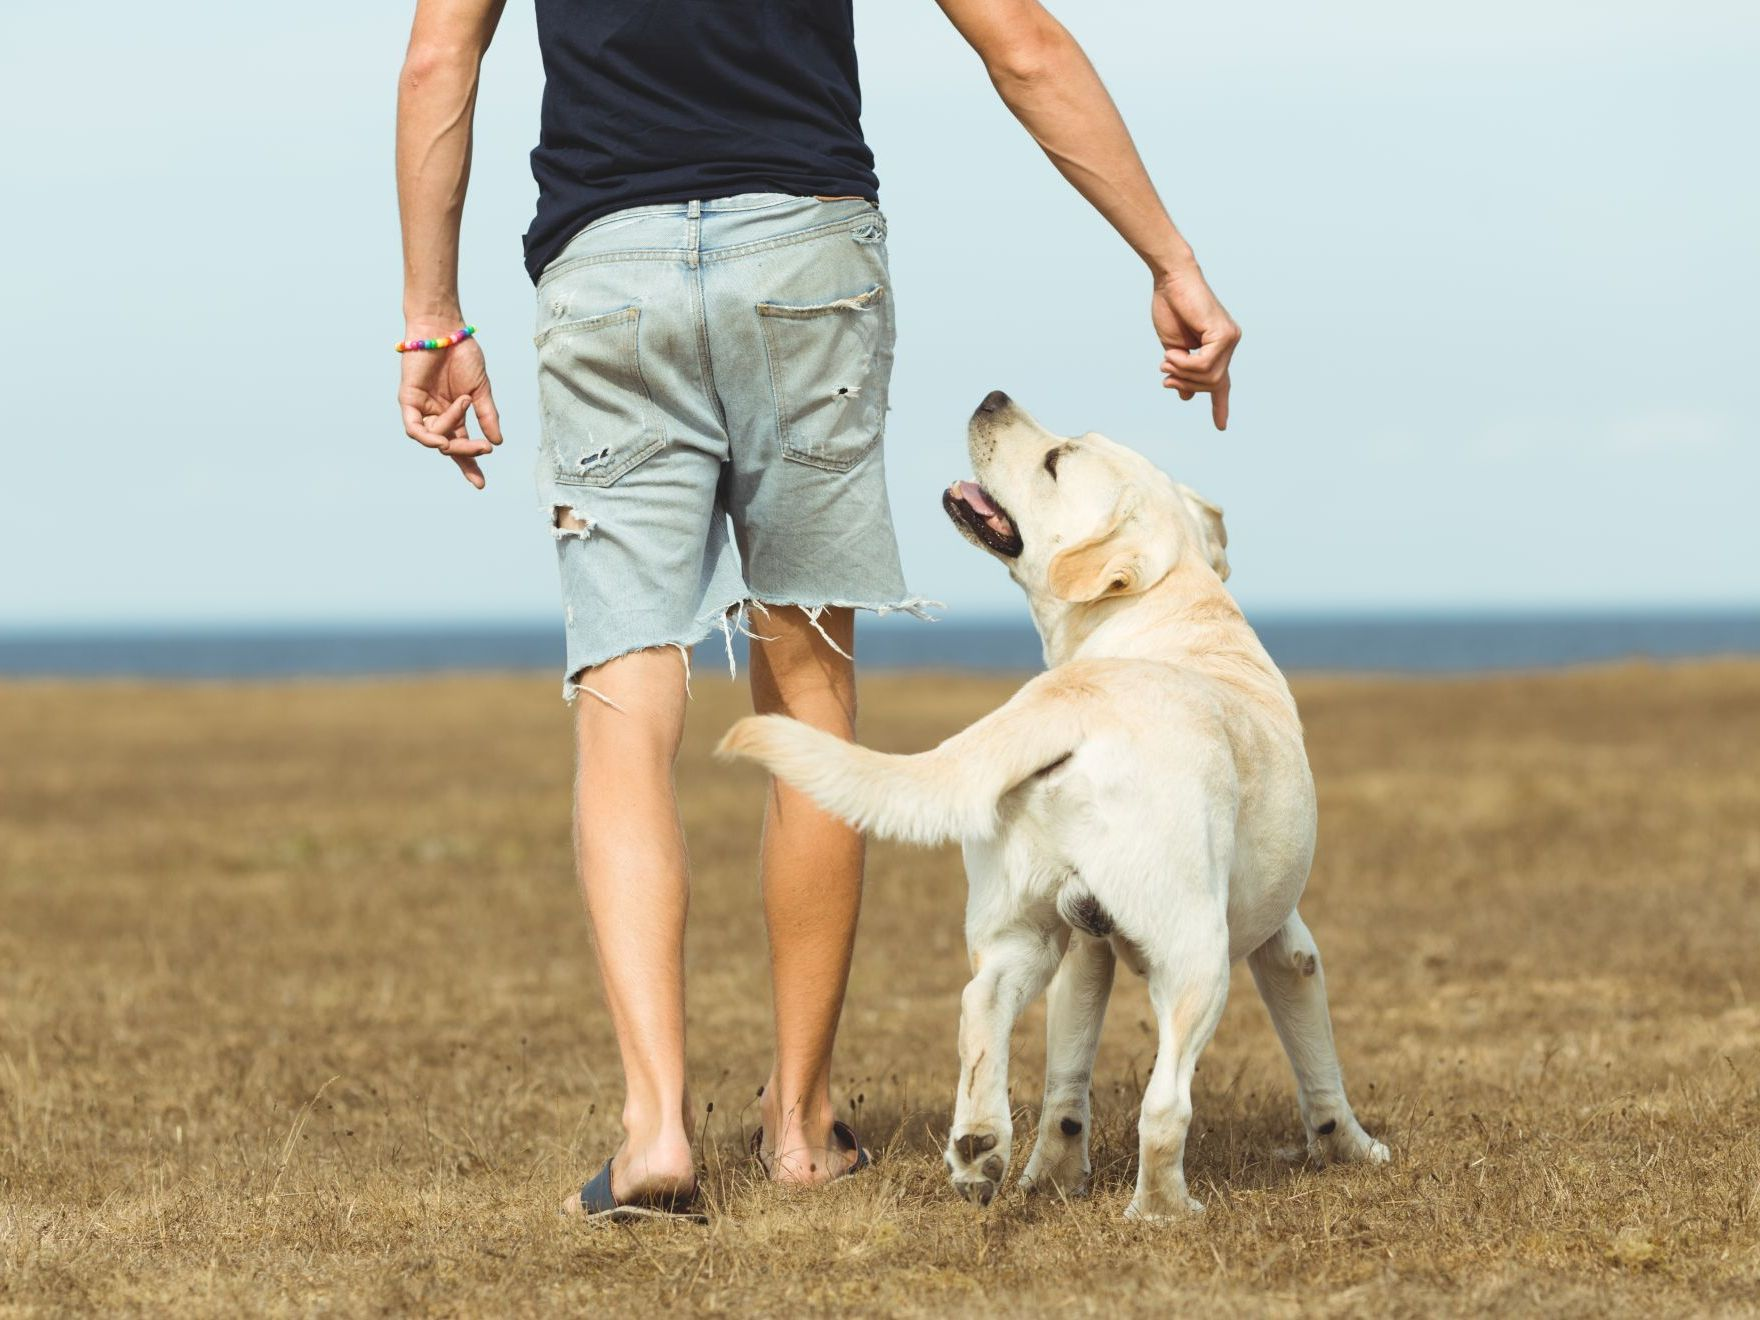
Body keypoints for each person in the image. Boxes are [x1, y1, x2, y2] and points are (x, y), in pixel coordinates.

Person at [394, 0, 1240, 1220]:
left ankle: (652, 1139)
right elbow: (1021, 43)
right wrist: (1167, 259)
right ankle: (799, 1125)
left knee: (625, 702)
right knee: (806, 685)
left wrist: (431, 315)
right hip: (804, 258)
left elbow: (438, 56)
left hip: (607, 267)